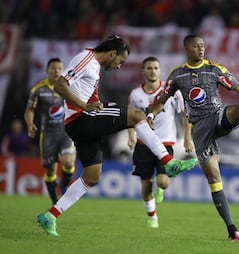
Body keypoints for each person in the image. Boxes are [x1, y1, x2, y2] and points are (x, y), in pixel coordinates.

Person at [36, 35, 197, 236]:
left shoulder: (93, 67)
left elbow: (85, 93)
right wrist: (85, 106)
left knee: (91, 177)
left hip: (78, 123)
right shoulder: (86, 59)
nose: (119, 66)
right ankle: (169, 161)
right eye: (120, 61)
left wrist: (93, 104)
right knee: (137, 115)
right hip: (82, 117)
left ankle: (50, 216)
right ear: (112, 53)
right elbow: (60, 85)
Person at [147, 34, 239, 241]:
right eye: (196, 46)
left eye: (202, 45)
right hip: (200, 129)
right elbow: (162, 100)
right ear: (186, 49)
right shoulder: (177, 75)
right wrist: (150, 114)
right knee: (213, 177)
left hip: (217, 116)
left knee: (236, 110)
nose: (201, 49)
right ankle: (232, 229)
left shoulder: (215, 70)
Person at [127, 56, 194, 228]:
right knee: (145, 184)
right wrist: (131, 135)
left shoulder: (171, 91)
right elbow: (129, 116)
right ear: (143, 71)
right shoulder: (135, 94)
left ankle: (161, 187)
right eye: (149, 68)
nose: (153, 71)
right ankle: (152, 217)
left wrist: (187, 138)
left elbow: (185, 114)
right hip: (143, 143)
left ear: (160, 70)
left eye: (156, 68)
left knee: (163, 181)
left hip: (166, 143)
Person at [24, 58, 77, 205]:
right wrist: (30, 124)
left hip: (66, 131)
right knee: (50, 171)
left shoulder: (69, 87)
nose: (57, 71)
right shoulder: (38, 89)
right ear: (47, 70)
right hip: (48, 134)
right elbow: (30, 109)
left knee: (68, 161)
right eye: (53, 68)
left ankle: (64, 184)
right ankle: (55, 199)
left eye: (60, 68)